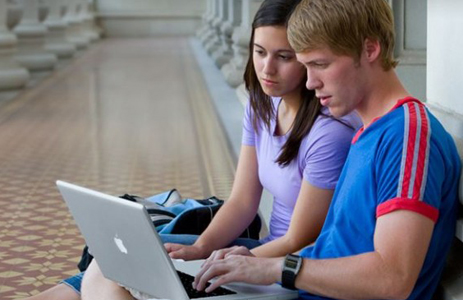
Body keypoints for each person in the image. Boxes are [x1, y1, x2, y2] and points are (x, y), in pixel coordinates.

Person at [23, 1, 360, 299]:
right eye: (259, 52)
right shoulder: (262, 105)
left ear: (306, 58)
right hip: (255, 252)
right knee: (109, 267)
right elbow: (243, 201)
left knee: (104, 276)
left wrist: (238, 260)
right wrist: (200, 246)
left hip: (284, 269)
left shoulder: (328, 134)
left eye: (283, 57)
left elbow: (300, 240)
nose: (267, 69)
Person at [187, 0, 462, 299]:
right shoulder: (368, 131)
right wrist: (253, 262)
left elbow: (393, 278)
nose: (310, 82)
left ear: (370, 49)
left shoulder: (408, 136)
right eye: (305, 66)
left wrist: (277, 268)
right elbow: (337, 247)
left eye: (320, 64)